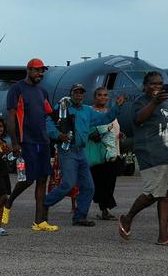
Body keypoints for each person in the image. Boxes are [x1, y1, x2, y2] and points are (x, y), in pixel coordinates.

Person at [118, 72, 168, 247]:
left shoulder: (166, 104)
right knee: (152, 193)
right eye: (153, 84)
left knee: (166, 194)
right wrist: (154, 102)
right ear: (145, 86)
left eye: (160, 84)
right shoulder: (141, 102)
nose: (157, 87)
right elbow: (138, 119)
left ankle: (163, 236)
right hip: (152, 154)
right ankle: (127, 218)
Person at [44, 84, 122, 227]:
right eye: (76, 92)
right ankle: (44, 204)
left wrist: (117, 107)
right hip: (67, 151)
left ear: (84, 95)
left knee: (89, 187)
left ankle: (80, 217)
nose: (79, 95)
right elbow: (49, 122)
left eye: (81, 93)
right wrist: (58, 135)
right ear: (71, 94)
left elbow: (104, 119)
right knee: (68, 184)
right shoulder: (63, 108)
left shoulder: (87, 110)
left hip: (81, 152)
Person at [2, 58, 57, 232]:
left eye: (42, 71)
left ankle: (39, 221)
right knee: (28, 178)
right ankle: (8, 203)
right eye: (37, 70)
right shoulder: (16, 89)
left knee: (42, 179)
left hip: (43, 141)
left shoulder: (43, 92)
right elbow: (10, 117)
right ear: (28, 70)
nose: (40, 74)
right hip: (26, 141)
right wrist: (15, 142)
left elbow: (49, 114)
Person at [88, 87, 124, 221]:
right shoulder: (90, 111)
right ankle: (104, 209)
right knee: (99, 181)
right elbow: (89, 130)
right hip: (99, 152)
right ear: (94, 97)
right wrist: (94, 135)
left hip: (113, 151)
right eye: (99, 95)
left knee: (110, 181)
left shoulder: (111, 112)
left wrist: (119, 134)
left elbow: (113, 129)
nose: (103, 97)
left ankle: (105, 208)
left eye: (105, 95)